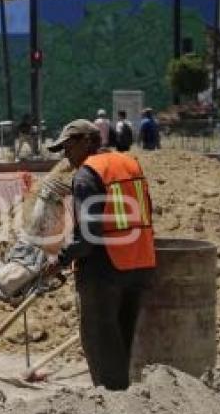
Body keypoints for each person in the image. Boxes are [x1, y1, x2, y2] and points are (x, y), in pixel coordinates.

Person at [45, 119, 155, 391]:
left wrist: (59, 261)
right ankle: (127, 401)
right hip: (139, 264)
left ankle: (113, 407)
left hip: (105, 271)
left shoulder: (87, 174)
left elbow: (89, 236)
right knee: (123, 339)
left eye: (67, 146)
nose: (64, 154)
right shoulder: (128, 163)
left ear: (86, 141)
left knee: (101, 341)